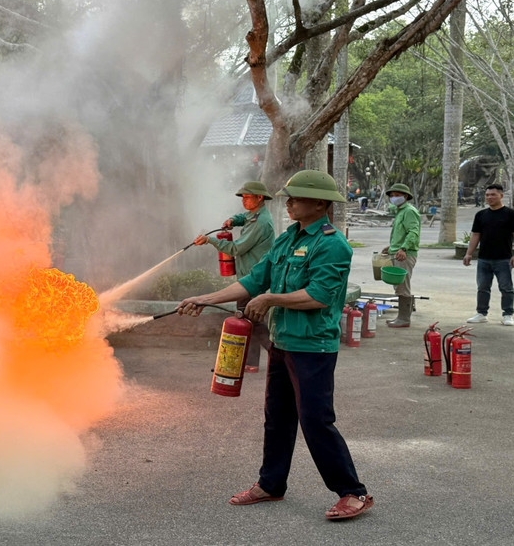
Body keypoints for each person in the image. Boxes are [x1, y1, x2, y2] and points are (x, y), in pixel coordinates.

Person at [178, 170, 373, 521]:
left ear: (320, 203)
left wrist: (270, 299)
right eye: (291, 196)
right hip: (282, 343)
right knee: (277, 417)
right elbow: (254, 280)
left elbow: (318, 295)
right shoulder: (287, 239)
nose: (290, 202)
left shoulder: (332, 244)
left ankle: (353, 492)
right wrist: (206, 298)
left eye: (297, 197)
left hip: (312, 347)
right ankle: (271, 485)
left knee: (316, 420)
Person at [193, 181, 275, 372]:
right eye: (243, 198)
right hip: (248, 276)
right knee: (250, 320)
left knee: (252, 319)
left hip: (254, 279)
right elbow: (244, 217)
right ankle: (251, 363)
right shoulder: (255, 216)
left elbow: (236, 248)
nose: (244, 201)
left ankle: (277, 356)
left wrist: (210, 240)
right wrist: (233, 220)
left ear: (259, 197)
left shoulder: (262, 222)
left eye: (247, 197)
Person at [463, 184, 514, 325]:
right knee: (483, 287)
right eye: (487, 195)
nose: (489, 197)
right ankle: (481, 313)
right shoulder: (481, 215)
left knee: (506, 288)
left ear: (501, 196)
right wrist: (468, 254)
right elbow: (475, 235)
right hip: (484, 258)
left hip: (504, 258)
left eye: (493, 195)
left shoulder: (510, 214)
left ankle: (508, 314)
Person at [381, 183, 420, 328]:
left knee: (403, 286)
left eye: (397, 195)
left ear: (405, 196)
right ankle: (402, 317)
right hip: (397, 252)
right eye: (392, 196)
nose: (394, 198)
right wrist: (391, 247)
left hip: (405, 254)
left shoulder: (409, 211)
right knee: (399, 285)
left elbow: (413, 232)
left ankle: (404, 318)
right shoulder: (401, 211)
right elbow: (402, 233)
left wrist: (403, 248)